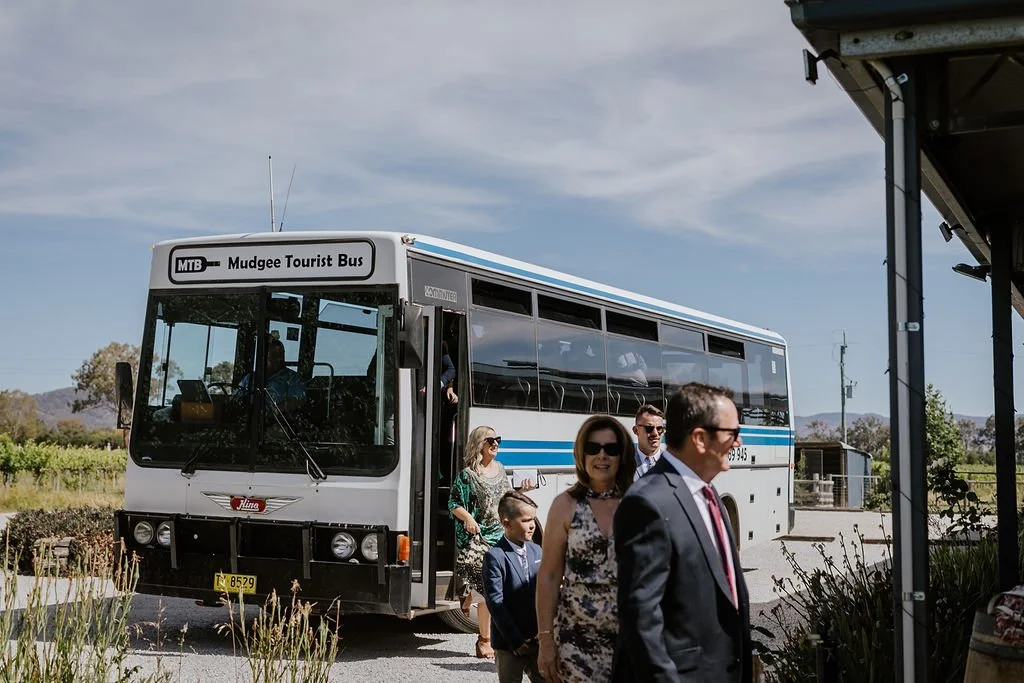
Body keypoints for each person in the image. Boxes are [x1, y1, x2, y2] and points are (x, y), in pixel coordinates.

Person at [612, 383, 752, 683]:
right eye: (733, 434)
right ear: (700, 438)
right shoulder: (647, 503)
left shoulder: (710, 493)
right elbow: (641, 620)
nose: (738, 444)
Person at [536, 415, 636, 683]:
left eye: (611, 449)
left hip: (631, 641)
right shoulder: (565, 505)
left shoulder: (637, 504)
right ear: (582, 453)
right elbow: (548, 576)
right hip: (576, 641)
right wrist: (545, 641)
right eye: (593, 448)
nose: (602, 456)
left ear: (622, 455)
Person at [449, 426, 536, 658]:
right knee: (488, 593)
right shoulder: (468, 475)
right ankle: (484, 641)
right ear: (479, 444)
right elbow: (453, 503)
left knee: (496, 591)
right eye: (491, 441)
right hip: (479, 539)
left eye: (498, 440)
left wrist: (521, 490)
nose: (496, 444)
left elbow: (505, 499)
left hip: (500, 536)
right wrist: (467, 518)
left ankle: (470, 601)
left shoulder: (500, 469)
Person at [482, 491, 546, 683]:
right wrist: (516, 641)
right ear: (507, 523)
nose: (532, 525)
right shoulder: (495, 556)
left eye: (533, 519)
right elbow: (496, 603)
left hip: (537, 639)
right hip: (509, 643)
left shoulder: (537, 550)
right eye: (526, 520)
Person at [239, 337, 307, 413]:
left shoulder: (293, 378)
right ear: (263, 357)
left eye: (281, 354)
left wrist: (275, 411)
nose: (279, 359)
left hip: (278, 423)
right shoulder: (250, 378)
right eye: (274, 355)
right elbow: (237, 398)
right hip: (250, 422)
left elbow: (297, 401)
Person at [632, 404, 665, 481]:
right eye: (649, 428)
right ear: (636, 430)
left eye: (659, 429)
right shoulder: (623, 463)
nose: (655, 433)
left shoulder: (672, 463)